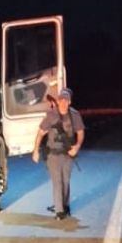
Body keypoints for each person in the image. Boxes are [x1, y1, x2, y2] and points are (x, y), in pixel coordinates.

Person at [31, 88, 85, 219]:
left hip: (68, 154)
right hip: (53, 154)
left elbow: (80, 132)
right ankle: (59, 211)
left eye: (66, 100)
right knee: (57, 181)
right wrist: (35, 150)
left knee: (66, 181)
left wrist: (77, 146)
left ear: (69, 102)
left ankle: (65, 206)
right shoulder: (51, 115)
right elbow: (40, 133)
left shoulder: (74, 115)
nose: (63, 103)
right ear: (58, 101)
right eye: (61, 100)